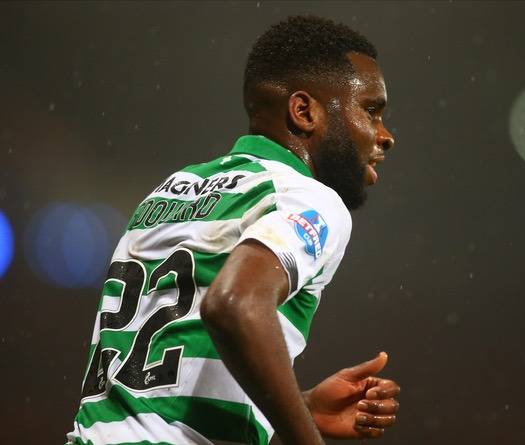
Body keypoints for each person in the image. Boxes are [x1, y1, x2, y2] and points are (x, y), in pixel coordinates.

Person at [67, 15, 399, 445]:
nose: (385, 135)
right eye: (371, 111)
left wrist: (300, 408)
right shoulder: (307, 198)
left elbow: (158, 384)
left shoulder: (169, 193)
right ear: (304, 111)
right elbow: (235, 304)